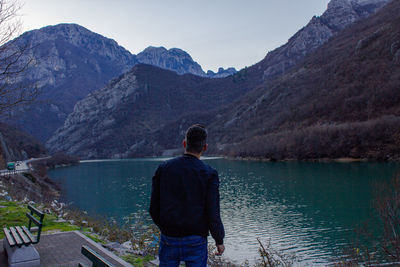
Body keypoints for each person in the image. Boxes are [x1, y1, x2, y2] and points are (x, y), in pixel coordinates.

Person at [149, 124, 225, 267]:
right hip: (196, 239)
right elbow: (213, 213)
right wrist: (219, 239)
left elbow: (153, 208)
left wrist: (166, 227)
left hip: (168, 237)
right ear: (205, 147)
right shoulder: (209, 174)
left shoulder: (164, 168)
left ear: (184, 144)